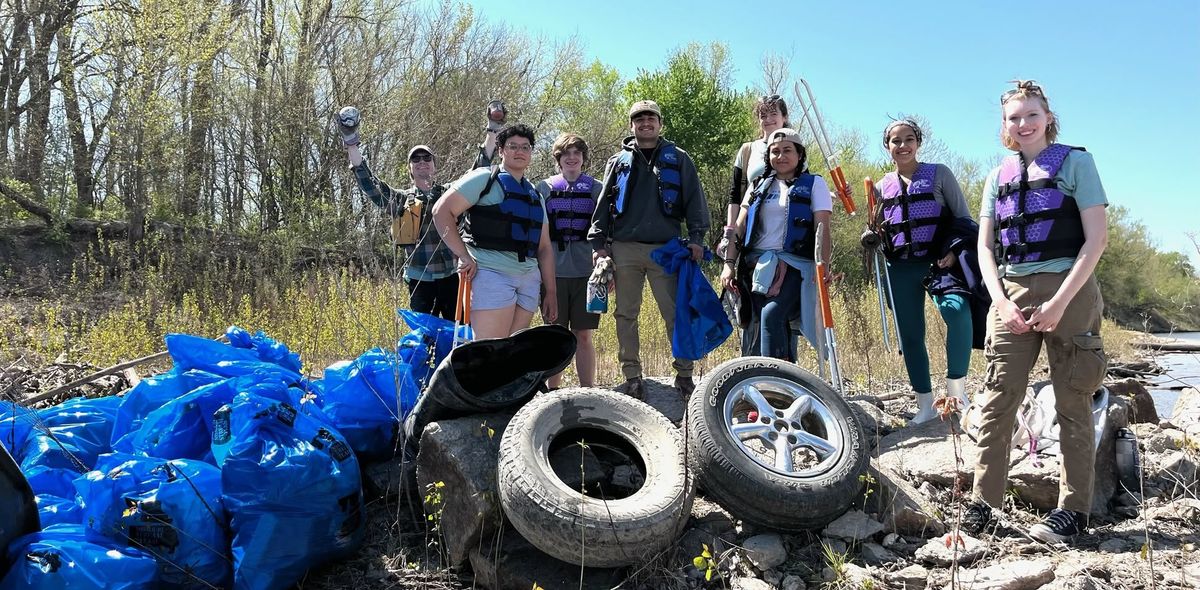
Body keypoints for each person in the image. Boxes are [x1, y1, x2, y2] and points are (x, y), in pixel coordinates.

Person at [962, 81, 1109, 545]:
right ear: (1003, 126)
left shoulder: (1077, 163)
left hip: (1071, 290)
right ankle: (985, 504)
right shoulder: (996, 177)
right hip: (1011, 293)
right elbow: (985, 248)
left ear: (1047, 118)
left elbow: (1096, 239)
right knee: (997, 399)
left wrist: (1061, 302)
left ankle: (1074, 511)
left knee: (1072, 400)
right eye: (1013, 118)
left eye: (1031, 115)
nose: (1022, 124)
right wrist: (1001, 301)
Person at [589, 100, 711, 399]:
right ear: (631, 125)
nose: (645, 123)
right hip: (624, 248)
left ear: (660, 123)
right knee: (625, 315)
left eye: (651, 118)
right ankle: (632, 376)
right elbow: (604, 202)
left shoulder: (679, 158)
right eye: (639, 118)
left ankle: (684, 375)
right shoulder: (618, 161)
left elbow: (695, 200)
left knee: (676, 314)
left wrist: (696, 237)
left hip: (666, 249)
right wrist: (599, 244)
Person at [338, 106, 497, 319]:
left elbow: (479, 169)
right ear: (410, 169)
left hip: (453, 276)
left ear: (434, 166)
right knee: (423, 339)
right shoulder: (401, 201)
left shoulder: (451, 194)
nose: (422, 162)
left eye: (426, 158)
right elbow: (370, 185)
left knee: (457, 335)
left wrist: (493, 129)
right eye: (416, 159)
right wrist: (351, 141)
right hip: (419, 280)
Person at [870, 118, 976, 424]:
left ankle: (957, 394)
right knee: (911, 336)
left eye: (908, 139)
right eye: (895, 141)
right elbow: (873, 228)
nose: (902, 146)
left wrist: (955, 252)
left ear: (918, 142)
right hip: (899, 268)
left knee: (958, 313)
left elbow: (964, 219)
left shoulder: (940, 174)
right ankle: (925, 406)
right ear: (887, 146)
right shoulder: (879, 187)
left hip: (938, 264)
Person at [431, 124, 557, 339]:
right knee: (491, 351)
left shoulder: (535, 195)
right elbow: (441, 212)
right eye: (513, 146)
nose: (519, 151)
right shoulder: (484, 178)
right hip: (491, 274)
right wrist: (463, 255)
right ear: (501, 151)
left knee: (512, 353)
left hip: (528, 279)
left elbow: (544, 248)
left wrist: (551, 292)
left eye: (525, 147)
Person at [720, 128, 830, 361]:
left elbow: (822, 228)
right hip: (756, 266)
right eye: (775, 152)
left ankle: (776, 384)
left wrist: (823, 264)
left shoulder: (814, 184)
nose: (781, 156)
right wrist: (729, 264)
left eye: (787, 150)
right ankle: (771, 386)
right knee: (759, 322)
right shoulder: (758, 185)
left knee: (773, 315)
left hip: (794, 265)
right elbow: (739, 227)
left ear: (800, 154)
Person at [719, 95, 796, 354]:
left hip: (785, 241)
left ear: (784, 116)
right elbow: (735, 194)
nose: (768, 119)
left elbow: (804, 185)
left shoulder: (794, 145)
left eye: (773, 113)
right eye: (763, 115)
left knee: (781, 310)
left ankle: (785, 374)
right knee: (750, 305)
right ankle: (750, 367)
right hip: (750, 237)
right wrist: (730, 234)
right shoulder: (748, 149)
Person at [537, 133, 602, 388]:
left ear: (583, 158)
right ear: (558, 159)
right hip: (554, 272)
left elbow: (606, 233)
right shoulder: (544, 188)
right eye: (566, 154)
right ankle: (554, 390)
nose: (572, 158)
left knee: (583, 334)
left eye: (577, 153)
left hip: (588, 272)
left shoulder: (597, 188)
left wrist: (609, 270)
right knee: (555, 335)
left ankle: (588, 389)